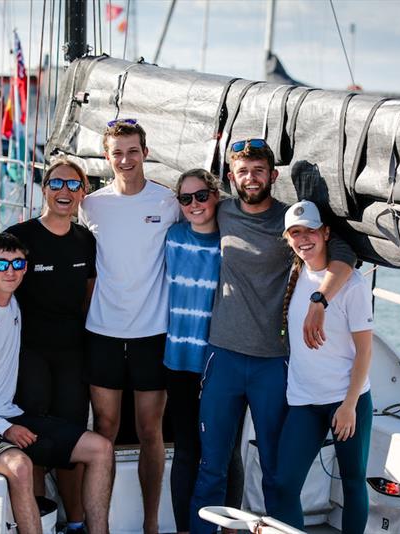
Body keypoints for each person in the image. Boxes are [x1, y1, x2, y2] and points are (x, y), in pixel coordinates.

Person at [191, 138, 357, 533]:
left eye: (259, 171)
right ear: (232, 177)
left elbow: (345, 253)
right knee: (211, 463)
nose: (251, 178)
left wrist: (320, 300)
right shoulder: (224, 210)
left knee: (273, 467)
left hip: (274, 361)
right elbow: (186, 204)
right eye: (243, 172)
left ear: (273, 176)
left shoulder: (290, 221)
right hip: (224, 356)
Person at [0, 232, 114, 534]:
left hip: (9, 414)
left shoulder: (15, 307)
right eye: (2, 263)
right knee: (20, 467)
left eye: (18, 263)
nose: (10, 270)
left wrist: (8, 423)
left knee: (100, 448)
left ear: (25, 269)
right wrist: (5, 428)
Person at [0, 158, 94, 533]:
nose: (64, 192)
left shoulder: (86, 240)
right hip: (28, 355)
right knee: (33, 443)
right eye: (56, 183)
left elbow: (88, 293)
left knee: (71, 444)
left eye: (73, 185)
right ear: (44, 188)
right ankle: (43, 522)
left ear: (83, 192)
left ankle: (76, 522)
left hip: (72, 354)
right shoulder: (21, 235)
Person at [78, 119, 180, 534]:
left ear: (146, 152)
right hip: (102, 332)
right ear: (107, 156)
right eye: (117, 152)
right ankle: (99, 524)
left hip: (152, 333)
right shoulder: (92, 205)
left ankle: (152, 524)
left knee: (150, 430)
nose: (125, 159)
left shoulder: (169, 202)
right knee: (105, 429)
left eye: (132, 150)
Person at [273, 200, 373, 533]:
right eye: (295, 233)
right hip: (304, 400)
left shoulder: (353, 285)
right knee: (284, 484)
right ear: (288, 239)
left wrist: (349, 405)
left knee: (353, 482)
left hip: (346, 400)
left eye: (311, 231)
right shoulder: (295, 273)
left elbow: (364, 352)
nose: (303, 239)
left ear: (326, 233)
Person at [164, 169, 243, 534]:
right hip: (179, 359)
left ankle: (226, 528)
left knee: (226, 452)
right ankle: (185, 529)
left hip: (223, 360)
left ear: (216, 196)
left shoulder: (232, 242)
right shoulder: (172, 238)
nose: (194, 204)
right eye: (185, 199)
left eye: (200, 196)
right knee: (187, 449)